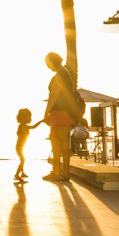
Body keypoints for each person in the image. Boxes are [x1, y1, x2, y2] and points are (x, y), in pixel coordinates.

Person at [43, 51, 82, 181]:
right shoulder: (64, 73)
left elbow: (54, 95)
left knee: (59, 144)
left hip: (60, 113)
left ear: (53, 61)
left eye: (48, 63)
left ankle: (60, 173)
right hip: (62, 113)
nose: (47, 66)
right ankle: (60, 173)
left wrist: (46, 112)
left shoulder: (61, 74)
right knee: (61, 143)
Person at [14, 107, 42, 182]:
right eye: (30, 117)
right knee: (23, 160)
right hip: (19, 147)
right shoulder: (24, 126)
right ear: (25, 118)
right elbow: (33, 127)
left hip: (20, 147)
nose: (31, 119)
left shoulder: (21, 125)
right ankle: (17, 175)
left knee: (22, 159)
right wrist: (41, 121)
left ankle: (22, 173)